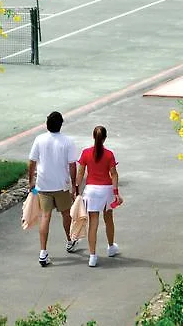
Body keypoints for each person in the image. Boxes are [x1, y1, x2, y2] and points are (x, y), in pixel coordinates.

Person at [27, 111, 79, 267]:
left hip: (43, 185)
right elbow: (72, 165)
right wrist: (74, 185)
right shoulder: (68, 141)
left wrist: (31, 182)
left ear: (47, 124)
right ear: (61, 124)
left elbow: (32, 162)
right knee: (65, 213)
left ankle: (43, 252)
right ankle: (70, 241)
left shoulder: (39, 139)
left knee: (45, 216)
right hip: (61, 185)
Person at [75, 125, 122, 267]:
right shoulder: (109, 154)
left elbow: (80, 173)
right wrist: (116, 192)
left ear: (93, 137)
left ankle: (92, 256)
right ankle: (111, 247)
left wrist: (76, 190)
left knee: (93, 223)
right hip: (106, 190)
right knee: (108, 220)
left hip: (91, 191)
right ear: (105, 138)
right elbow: (113, 174)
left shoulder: (86, 153)